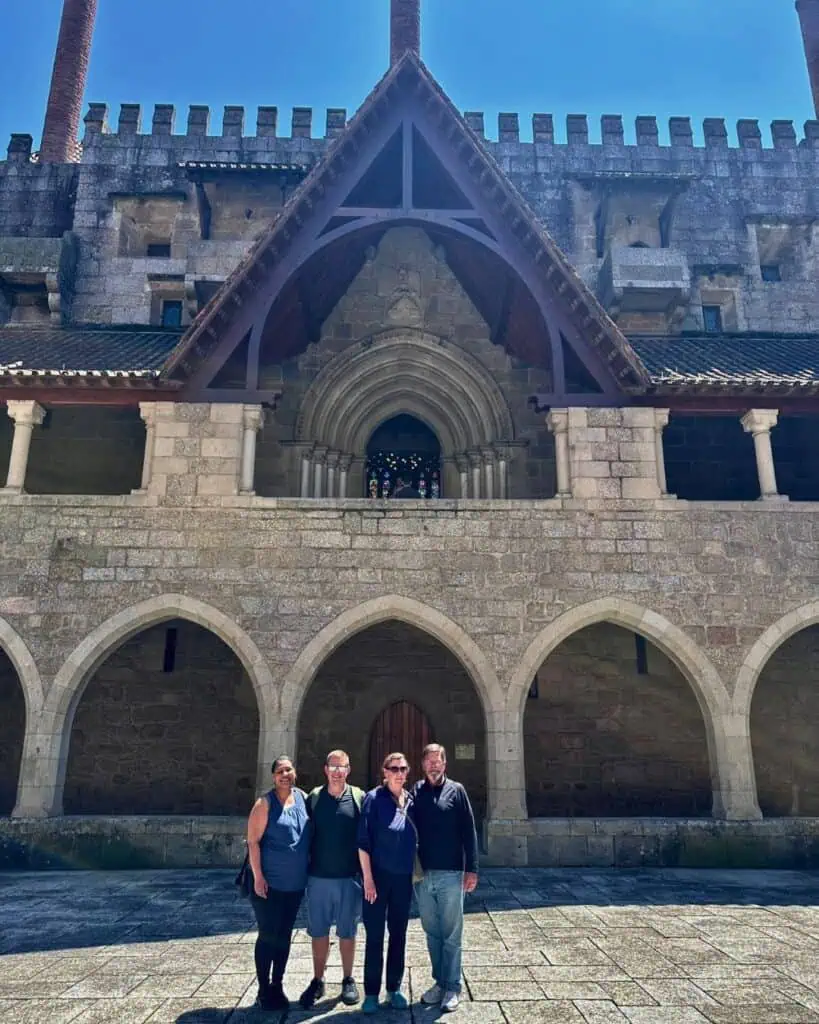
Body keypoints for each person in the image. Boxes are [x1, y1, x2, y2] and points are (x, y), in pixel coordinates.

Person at [412, 743, 479, 1014]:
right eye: (428, 761)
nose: (433, 765)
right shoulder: (416, 791)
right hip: (423, 876)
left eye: (437, 761)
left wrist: (472, 868)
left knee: (451, 934)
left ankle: (453, 986)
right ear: (423, 765)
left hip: (451, 874)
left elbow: (469, 831)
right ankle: (439, 983)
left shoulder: (457, 791)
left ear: (444, 764)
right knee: (432, 933)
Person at [299, 750, 365, 1010]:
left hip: (349, 878)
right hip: (318, 877)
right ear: (325, 769)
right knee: (319, 932)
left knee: (348, 931)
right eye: (333, 766)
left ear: (349, 770)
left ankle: (348, 979)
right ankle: (318, 980)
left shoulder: (359, 798)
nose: (338, 771)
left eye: (342, 766)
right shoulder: (314, 799)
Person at [246, 755, 310, 1012]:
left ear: (295, 773)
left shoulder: (303, 798)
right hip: (269, 884)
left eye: (288, 770)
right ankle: (263, 988)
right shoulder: (264, 804)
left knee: (284, 935)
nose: (285, 775)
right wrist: (258, 877)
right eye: (280, 771)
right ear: (273, 776)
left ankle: (277, 984)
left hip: (294, 885)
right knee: (268, 935)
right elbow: (253, 842)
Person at [357, 751, 416, 1014]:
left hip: (402, 880)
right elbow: (363, 842)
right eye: (394, 768)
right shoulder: (373, 799)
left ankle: (394, 988)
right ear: (385, 772)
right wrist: (368, 879)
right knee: (375, 936)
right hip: (377, 879)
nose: (399, 773)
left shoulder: (410, 800)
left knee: (399, 934)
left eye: (403, 769)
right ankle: (371, 993)